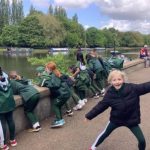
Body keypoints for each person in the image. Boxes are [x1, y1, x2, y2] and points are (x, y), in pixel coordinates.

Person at [85, 70, 150, 150]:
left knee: (142, 140)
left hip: (131, 119)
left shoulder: (132, 88)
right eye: (114, 80)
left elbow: (145, 86)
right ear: (110, 81)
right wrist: (89, 116)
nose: (117, 82)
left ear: (123, 79)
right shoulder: (109, 94)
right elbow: (101, 106)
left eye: (119, 79)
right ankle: (92, 147)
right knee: (105, 133)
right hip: (116, 120)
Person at [40, 62, 71, 128]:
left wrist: (47, 84)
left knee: (55, 105)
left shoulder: (54, 75)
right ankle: (60, 119)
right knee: (58, 105)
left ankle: (59, 120)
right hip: (66, 92)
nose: (45, 70)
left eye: (46, 68)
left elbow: (55, 85)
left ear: (49, 69)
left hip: (62, 93)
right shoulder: (56, 72)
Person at [0, 67, 17, 150]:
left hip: (1, 105)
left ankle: (3, 144)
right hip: (9, 102)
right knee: (10, 120)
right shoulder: (6, 76)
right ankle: (13, 140)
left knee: (2, 123)